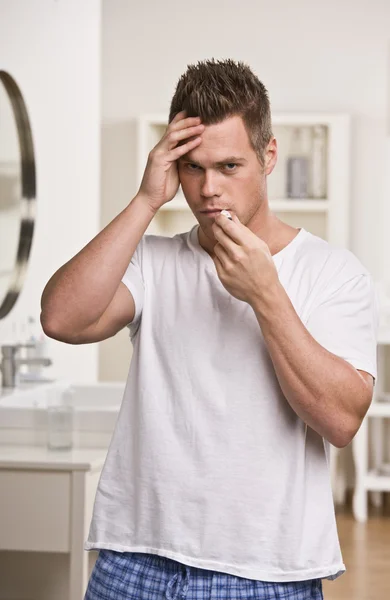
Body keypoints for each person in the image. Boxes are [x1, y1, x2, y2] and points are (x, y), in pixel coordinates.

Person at [40, 59, 377, 600]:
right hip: (134, 561)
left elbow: (341, 421)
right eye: (192, 169)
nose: (207, 189)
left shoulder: (332, 271)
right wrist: (148, 199)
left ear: (269, 157)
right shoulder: (155, 261)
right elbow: (61, 318)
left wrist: (265, 293)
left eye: (228, 166)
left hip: (267, 573)